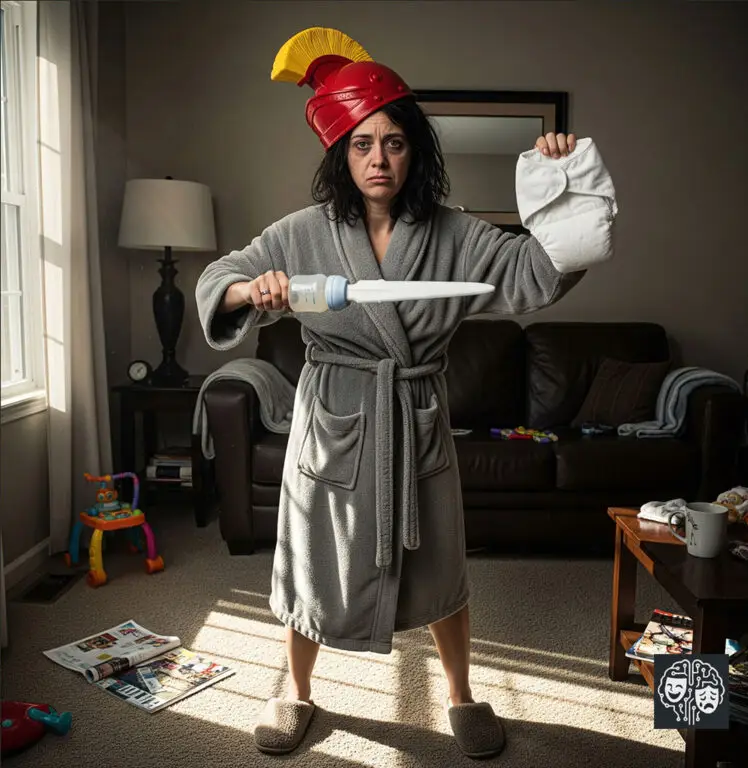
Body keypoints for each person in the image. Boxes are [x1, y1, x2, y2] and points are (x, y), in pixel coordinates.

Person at [196, 27, 617, 759]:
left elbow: (538, 275)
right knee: (310, 562)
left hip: (415, 415)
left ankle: (460, 694)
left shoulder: (457, 235)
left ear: (414, 150)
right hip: (334, 418)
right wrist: (248, 289)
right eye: (361, 144)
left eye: (393, 142)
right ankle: (296, 691)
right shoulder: (301, 232)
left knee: (440, 566)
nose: (378, 159)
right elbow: (218, 279)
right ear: (341, 153)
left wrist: (565, 189)